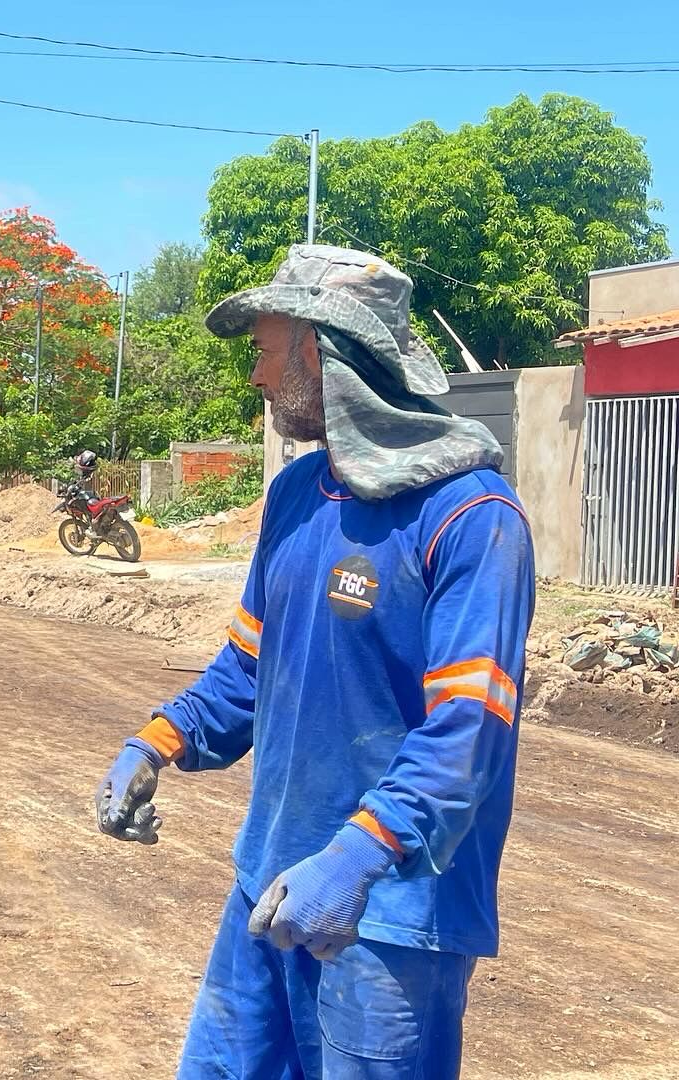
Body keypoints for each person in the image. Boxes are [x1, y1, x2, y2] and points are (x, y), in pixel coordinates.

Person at [94, 245, 534, 1078]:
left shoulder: (471, 516)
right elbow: (248, 671)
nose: (256, 375)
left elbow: (468, 732)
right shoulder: (298, 495)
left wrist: (359, 855)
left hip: (392, 912)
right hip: (269, 879)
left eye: (264, 347)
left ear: (323, 351)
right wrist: (155, 740)